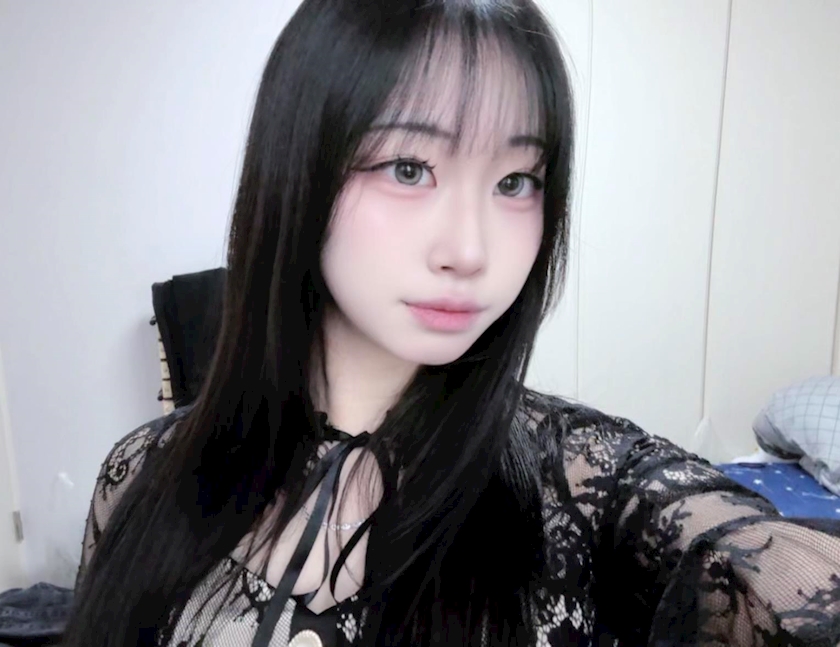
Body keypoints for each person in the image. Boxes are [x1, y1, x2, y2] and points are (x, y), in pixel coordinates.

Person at [64, 1, 840, 645]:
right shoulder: (141, 475)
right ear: (297, 171)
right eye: (409, 168)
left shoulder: (583, 482)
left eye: (516, 181)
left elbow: (762, 566)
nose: (471, 251)